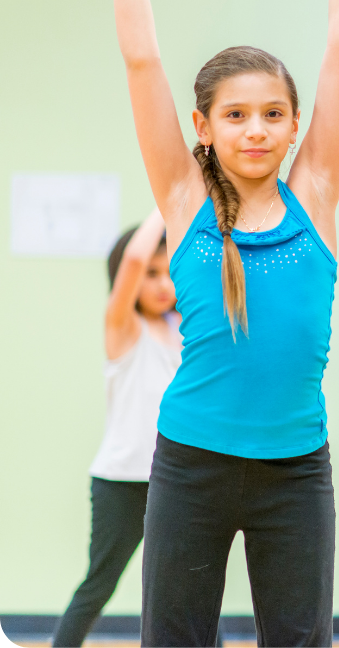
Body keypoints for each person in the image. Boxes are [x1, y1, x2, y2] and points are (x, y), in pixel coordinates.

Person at [81, 0, 339, 644]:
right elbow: (141, 60)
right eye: (237, 115)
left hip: (296, 471)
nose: (257, 129)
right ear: (203, 127)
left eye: (274, 114)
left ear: (293, 124)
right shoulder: (184, 201)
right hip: (189, 467)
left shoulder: (315, 193)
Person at [53, 212, 178, 647]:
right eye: (151, 274)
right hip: (121, 482)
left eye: (170, 272)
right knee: (99, 585)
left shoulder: (184, 330)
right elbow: (131, 262)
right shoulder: (123, 328)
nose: (163, 284)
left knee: (189, 588)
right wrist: (169, 204)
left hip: (177, 481)